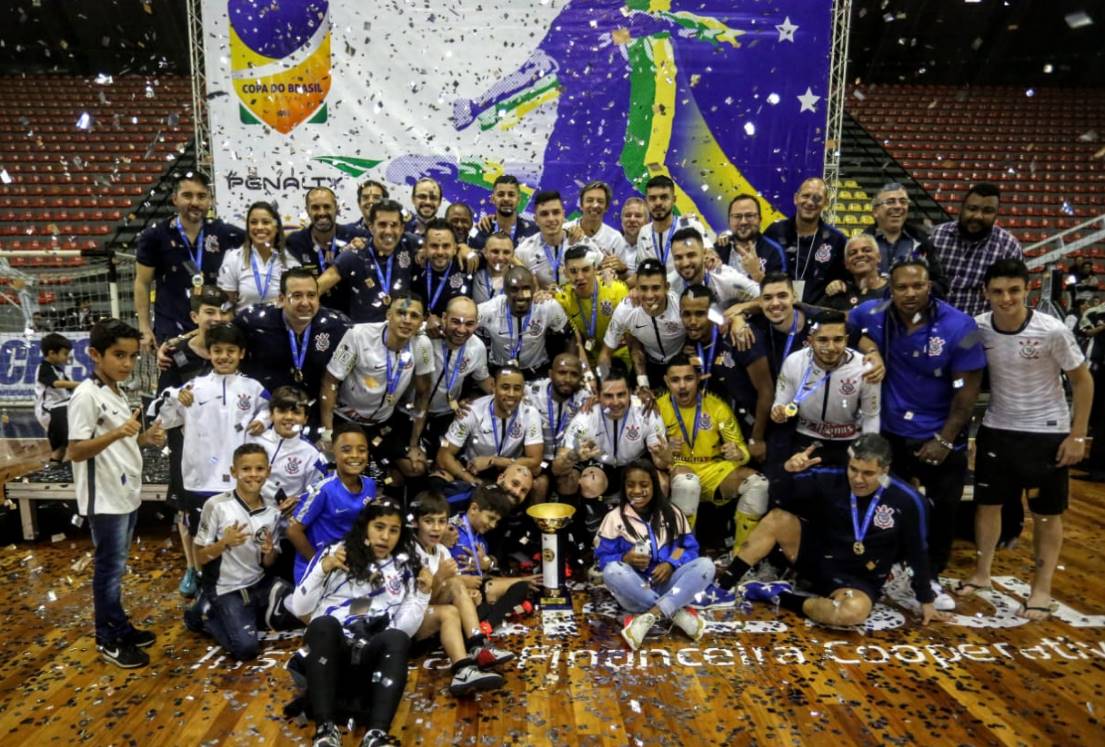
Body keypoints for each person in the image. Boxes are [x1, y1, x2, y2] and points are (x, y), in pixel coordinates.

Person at [956, 259, 1092, 620]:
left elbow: (1082, 381)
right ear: (985, 293)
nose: (1006, 298)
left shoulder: (1053, 331)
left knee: (1046, 515)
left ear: (1027, 289)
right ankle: (982, 574)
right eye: (998, 291)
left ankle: (1042, 589)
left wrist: (1077, 435)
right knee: (988, 506)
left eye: (1014, 290)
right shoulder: (978, 329)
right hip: (998, 428)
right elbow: (956, 362)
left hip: (1046, 433)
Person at [849, 259, 986, 610]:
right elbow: (849, 326)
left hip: (939, 436)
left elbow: (967, 391)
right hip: (892, 436)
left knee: (941, 513)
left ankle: (932, 578)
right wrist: (871, 349)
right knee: (888, 507)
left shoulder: (962, 326)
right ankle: (890, 571)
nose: (910, 294)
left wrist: (944, 439)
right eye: (901, 288)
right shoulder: (874, 313)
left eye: (918, 286)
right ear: (889, 289)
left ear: (930, 286)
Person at [715, 434, 948, 627]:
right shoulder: (831, 477)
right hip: (817, 558)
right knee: (777, 519)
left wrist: (926, 600)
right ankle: (723, 586)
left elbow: (918, 550)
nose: (858, 479)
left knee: (851, 614)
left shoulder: (909, 500)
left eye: (868, 473)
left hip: (858, 578)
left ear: (885, 470)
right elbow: (778, 497)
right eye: (853, 469)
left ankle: (776, 595)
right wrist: (787, 470)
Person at [286, 501, 431, 747]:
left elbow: (403, 630)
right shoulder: (335, 553)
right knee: (323, 624)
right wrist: (324, 568)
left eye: (394, 530)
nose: (385, 537)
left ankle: (375, 735)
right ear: (365, 527)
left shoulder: (407, 564)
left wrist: (422, 593)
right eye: (379, 527)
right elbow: (300, 608)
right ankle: (325, 730)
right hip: (331, 656)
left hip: (370, 663)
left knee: (396, 638)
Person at [67, 319, 167, 668]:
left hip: (125, 492)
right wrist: (118, 433)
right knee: (108, 571)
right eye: (118, 355)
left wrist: (144, 439)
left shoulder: (116, 390)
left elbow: (121, 438)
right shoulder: (86, 395)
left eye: (132, 356)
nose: (126, 363)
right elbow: (75, 451)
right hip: (105, 498)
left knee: (116, 568)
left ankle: (120, 626)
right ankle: (106, 638)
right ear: (95, 354)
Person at [156, 323, 271, 594]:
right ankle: (205, 590)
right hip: (200, 481)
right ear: (208, 353)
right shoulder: (192, 388)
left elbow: (269, 411)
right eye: (217, 351)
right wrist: (174, 395)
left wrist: (261, 420)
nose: (224, 356)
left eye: (231, 351)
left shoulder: (253, 388)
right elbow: (164, 416)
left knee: (241, 540)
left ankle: (244, 588)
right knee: (204, 540)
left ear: (241, 353)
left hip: (238, 483)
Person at [153, 286, 234, 596]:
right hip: (186, 444)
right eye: (209, 312)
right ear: (194, 316)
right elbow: (163, 399)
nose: (217, 318)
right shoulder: (175, 354)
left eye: (223, 312)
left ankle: (225, 565)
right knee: (186, 508)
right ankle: (191, 566)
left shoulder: (233, 346)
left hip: (225, 441)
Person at [596, 460, 714, 651]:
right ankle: (674, 612)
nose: (637, 491)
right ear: (624, 487)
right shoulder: (614, 518)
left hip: (670, 585)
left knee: (706, 565)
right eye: (630, 485)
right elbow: (602, 559)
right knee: (612, 571)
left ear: (654, 486)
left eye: (644, 485)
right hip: (635, 590)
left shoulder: (673, 513)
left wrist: (671, 563)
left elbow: (686, 548)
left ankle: (649, 616)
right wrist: (624, 558)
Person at [657, 355, 769, 553]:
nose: (682, 386)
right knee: (688, 482)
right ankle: (682, 554)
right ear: (666, 381)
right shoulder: (656, 409)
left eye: (688, 379)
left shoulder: (716, 406)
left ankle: (741, 557)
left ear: (698, 379)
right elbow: (655, 460)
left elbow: (741, 448)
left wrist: (738, 453)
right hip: (678, 467)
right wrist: (666, 453)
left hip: (713, 469)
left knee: (758, 484)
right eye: (675, 380)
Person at [320, 290, 433, 483]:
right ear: (388, 315)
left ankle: (382, 481)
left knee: (415, 468)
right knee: (339, 473)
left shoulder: (422, 345)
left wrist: (414, 444)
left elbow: (423, 395)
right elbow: (330, 382)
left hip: (383, 423)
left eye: (414, 316)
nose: (407, 320)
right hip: (345, 419)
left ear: (421, 321)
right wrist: (328, 431)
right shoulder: (358, 335)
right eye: (401, 313)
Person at [184, 443, 283, 660]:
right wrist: (224, 543)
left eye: (259, 469)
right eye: (246, 469)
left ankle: (240, 613)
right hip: (225, 588)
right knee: (246, 649)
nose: (253, 475)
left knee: (288, 613)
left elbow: (268, 563)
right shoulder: (217, 506)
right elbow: (200, 558)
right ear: (233, 472)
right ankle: (205, 613)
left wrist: (269, 552)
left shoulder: (273, 513)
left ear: (268, 470)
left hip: (258, 584)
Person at [410, 492, 513, 696]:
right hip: (408, 626)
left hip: (427, 615)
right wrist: (440, 578)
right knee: (451, 602)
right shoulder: (410, 551)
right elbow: (414, 604)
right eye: (429, 521)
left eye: (441, 521)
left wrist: (466, 594)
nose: (436, 528)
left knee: (455, 598)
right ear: (415, 523)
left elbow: (446, 590)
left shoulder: (441, 550)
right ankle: (469, 659)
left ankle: (474, 651)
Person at [552, 364, 670, 533]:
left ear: (630, 392)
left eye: (621, 394)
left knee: (662, 481)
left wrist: (666, 457)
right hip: (602, 468)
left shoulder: (646, 411)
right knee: (589, 482)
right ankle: (594, 538)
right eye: (608, 396)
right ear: (598, 395)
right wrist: (574, 455)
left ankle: (651, 534)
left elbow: (663, 462)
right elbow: (557, 468)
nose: (615, 402)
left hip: (635, 465)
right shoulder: (586, 416)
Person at [134, 171, 244, 346]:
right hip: (171, 329)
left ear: (210, 200)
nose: (195, 202)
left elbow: (262, 243)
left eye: (201, 196)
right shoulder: (155, 236)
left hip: (214, 327)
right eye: (187, 195)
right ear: (174, 199)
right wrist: (144, 327)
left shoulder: (225, 233)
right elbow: (142, 282)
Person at [233, 268, 349, 431]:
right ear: (281, 299)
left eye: (311, 295)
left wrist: (327, 430)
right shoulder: (251, 322)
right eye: (296, 296)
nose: (305, 303)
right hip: (260, 416)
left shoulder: (335, 326)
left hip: (310, 417)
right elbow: (220, 346)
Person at [771, 310, 881, 467]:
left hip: (850, 440)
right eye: (822, 340)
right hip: (805, 437)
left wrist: (868, 452)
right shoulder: (793, 362)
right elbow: (781, 402)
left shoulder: (865, 368)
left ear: (847, 340)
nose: (831, 347)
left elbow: (871, 416)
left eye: (838, 339)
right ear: (810, 340)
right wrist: (778, 412)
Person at [678, 285, 773, 461]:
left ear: (713, 313)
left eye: (700, 314)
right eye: (686, 314)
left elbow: (766, 391)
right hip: (722, 430)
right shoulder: (691, 345)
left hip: (756, 426)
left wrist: (757, 438)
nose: (692, 321)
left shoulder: (741, 336)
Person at [287, 422, 378, 582]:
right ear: (333, 452)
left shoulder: (370, 485)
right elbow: (293, 531)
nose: (355, 455)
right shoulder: (323, 489)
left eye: (362, 450)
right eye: (346, 450)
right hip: (317, 570)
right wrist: (319, 564)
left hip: (348, 565)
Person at [435, 366, 544, 489]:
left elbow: (535, 459)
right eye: (505, 387)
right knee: (438, 478)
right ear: (493, 386)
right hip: (474, 469)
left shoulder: (530, 413)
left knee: (537, 475)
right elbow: (444, 453)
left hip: (510, 468)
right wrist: (471, 480)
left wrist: (494, 461)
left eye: (517, 388)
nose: (511, 394)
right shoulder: (471, 411)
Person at [929, 182, 1024, 317]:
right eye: (972, 208)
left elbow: (1013, 299)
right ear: (961, 208)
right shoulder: (937, 236)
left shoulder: (1008, 247)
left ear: (996, 214)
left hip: (978, 330)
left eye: (987, 211)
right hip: (932, 323)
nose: (978, 216)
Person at [317, 199, 420, 323]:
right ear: (371, 227)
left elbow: (443, 247)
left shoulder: (410, 245)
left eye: (394, 225)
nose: (388, 231)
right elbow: (317, 287)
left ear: (402, 228)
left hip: (402, 329)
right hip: (365, 335)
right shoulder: (355, 254)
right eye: (382, 224)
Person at [445, 486, 536, 624]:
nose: (493, 525)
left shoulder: (481, 539)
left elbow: (485, 570)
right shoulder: (450, 531)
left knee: (522, 588)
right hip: (456, 595)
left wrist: (487, 564)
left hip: (479, 589)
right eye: (491, 518)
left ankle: (488, 621)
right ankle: (488, 622)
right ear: (474, 508)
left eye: (496, 521)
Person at [421, 296, 494, 457]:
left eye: (469, 324)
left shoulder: (477, 348)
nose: (461, 330)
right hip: (410, 413)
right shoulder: (424, 334)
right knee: (413, 465)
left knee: (442, 456)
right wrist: (425, 322)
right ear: (444, 318)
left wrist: (505, 390)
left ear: (476, 323)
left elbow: (482, 379)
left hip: (446, 416)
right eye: (455, 321)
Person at [598, 258, 685, 389]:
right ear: (636, 288)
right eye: (643, 288)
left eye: (656, 288)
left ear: (666, 287)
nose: (649, 296)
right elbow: (605, 354)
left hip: (680, 361)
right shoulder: (625, 310)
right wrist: (603, 385)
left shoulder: (680, 308)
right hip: (648, 364)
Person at [476, 266, 573, 377]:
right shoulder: (490, 309)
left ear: (534, 289)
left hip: (537, 371)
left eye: (526, 288)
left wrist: (565, 367)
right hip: (500, 371)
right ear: (505, 290)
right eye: (514, 289)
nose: (521, 295)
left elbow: (570, 337)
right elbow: (463, 322)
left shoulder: (548, 306)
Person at [762, 177, 846, 303]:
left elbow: (846, 277)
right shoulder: (774, 231)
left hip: (818, 313)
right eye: (805, 196)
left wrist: (840, 283)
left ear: (826, 203)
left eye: (817, 198)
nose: (810, 202)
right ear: (796, 198)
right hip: (777, 310)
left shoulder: (837, 240)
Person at [862, 182, 950, 297]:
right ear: (875, 212)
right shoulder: (860, 244)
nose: (898, 206)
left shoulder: (923, 242)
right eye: (890, 202)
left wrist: (920, 288)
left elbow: (941, 284)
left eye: (903, 202)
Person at [286, 187, 361, 312]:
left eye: (327, 207)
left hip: (352, 320)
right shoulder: (294, 242)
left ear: (336, 208)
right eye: (315, 207)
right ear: (307, 211)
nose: (321, 212)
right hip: (309, 318)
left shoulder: (355, 237)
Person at [217, 201, 301, 311]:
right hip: (244, 326)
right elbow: (226, 304)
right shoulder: (234, 258)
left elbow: (297, 300)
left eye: (266, 222)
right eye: (253, 222)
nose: (259, 227)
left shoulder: (291, 260)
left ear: (276, 227)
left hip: (280, 326)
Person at [555, 245, 629, 366]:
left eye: (585, 270)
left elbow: (630, 336)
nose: (579, 277)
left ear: (595, 269)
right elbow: (575, 341)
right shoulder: (561, 298)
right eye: (573, 271)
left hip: (617, 355)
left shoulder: (617, 290)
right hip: (585, 358)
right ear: (565, 273)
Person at [515, 189, 600, 288]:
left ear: (563, 215)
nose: (551, 219)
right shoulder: (524, 251)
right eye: (544, 214)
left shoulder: (582, 242)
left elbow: (602, 271)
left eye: (556, 212)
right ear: (536, 220)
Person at [633, 174, 709, 283]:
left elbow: (710, 256)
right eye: (653, 198)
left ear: (674, 199)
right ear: (646, 202)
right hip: (657, 296)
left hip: (690, 295)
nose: (658, 203)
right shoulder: (644, 232)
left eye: (664, 197)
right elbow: (641, 272)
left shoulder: (691, 224)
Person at [669, 226, 759, 310]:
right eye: (678, 257)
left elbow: (763, 298)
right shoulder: (670, 287)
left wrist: (740, 310)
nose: (685, 263)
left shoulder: (727, 279)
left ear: (704, 253)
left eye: (691, 255)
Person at [565, 180, 633, 277]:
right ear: (580, 204)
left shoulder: (615, 238)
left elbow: (624, 278)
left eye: (600, 201)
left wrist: (622, 269)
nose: (595, 205)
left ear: (606, 207)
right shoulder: (565, 230)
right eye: (590, 200)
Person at [411, 218, 475, 321]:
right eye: (434, 246)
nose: (440, 252)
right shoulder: (414, 266)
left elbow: (493, 255)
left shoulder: (467, 264)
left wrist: (468, 251)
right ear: (425, 247)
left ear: (455, 248)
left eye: (446, 246)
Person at [713, 193, 786, 283]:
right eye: (737, 216)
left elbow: (779, 292)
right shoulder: (718, 249)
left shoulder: (774, 251)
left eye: (749, 216)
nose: (743, 222)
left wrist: (757, 274)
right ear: (729, 221)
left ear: (760, 220)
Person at [35, 332, 78, 462]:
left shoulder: (58, 370)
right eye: (65, 353)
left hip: (59, 410)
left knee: (62, 446)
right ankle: (62, 466)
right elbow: (56, 384)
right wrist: (80, 384)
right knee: (68, 443)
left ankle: (56, 466)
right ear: (52, 353)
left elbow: (71, 388)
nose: (67, 357)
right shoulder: (44, 368)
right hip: (50, 411)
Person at [817, 233, 888, 310]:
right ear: (846, 263)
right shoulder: (838, 293)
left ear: (879, 257)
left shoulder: (893, 290)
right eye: (852, 253)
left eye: (867, 250)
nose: (860, 255)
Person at [469, 174, 538, 251]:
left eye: (511, 195)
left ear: (518, 199)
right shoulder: (480, 231)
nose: (506, 199)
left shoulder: (533, 230)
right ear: (493, 199)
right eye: (501, 194)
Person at [471, 232, 519, 304]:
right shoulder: (472, 272)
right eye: (495, 251)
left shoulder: (520, 279)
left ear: (513, 254)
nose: (500, 257)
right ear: (485, 253)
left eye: (506, 252)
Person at [619, 197, 647, 262]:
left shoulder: (653, 250)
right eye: (628, 215)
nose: (632, 219)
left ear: (647, 221)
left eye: (638, 216)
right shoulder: (611, 245)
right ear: (621, 220)